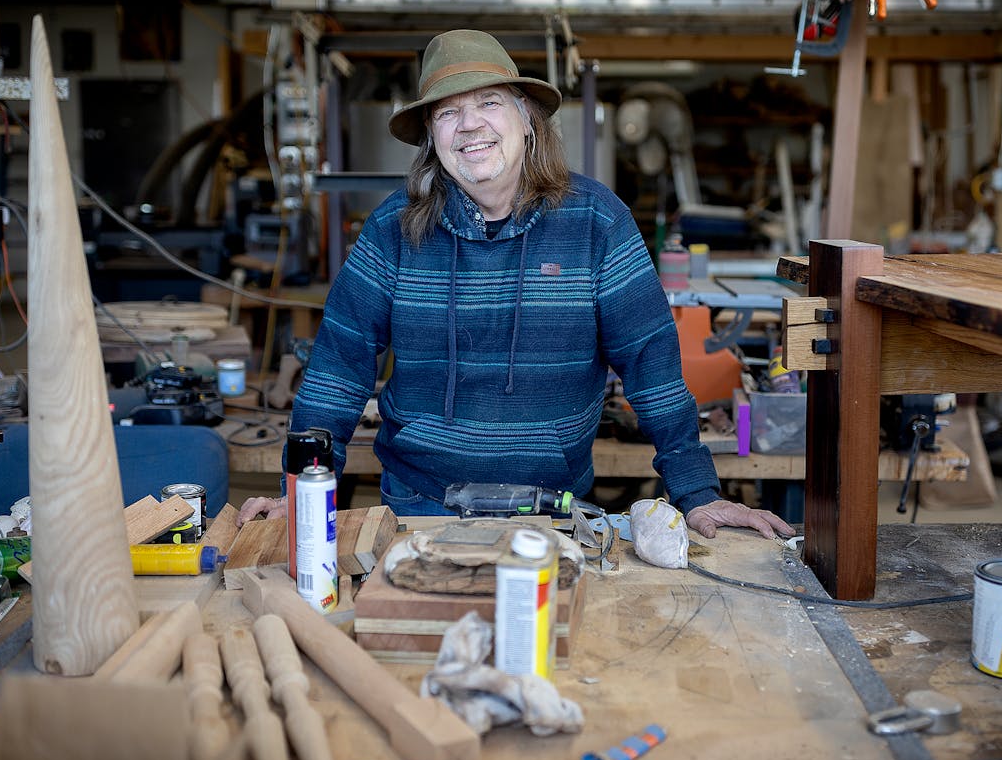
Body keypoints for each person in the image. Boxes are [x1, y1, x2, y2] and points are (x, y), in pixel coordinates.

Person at [276, 29, 792, 540]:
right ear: (432, 136)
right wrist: (296, 494)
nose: (469, 125)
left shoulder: (597, 221)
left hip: (553, 507)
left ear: (526, 118)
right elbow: (337, 369)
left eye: (488, 103)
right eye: (447, 112)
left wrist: (697, 493)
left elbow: (650, 365)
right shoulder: (392, 229)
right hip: (419, 504)